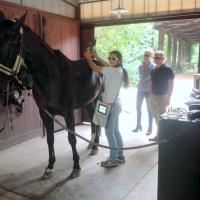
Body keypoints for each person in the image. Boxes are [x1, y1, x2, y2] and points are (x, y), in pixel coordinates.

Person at [84, 48, 129, 168]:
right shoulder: (118, 70)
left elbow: (95, 67)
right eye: (110, 58)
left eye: (113, 58)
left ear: (119, 60)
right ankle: (120, 155)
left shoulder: (111, 71)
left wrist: (89, 58)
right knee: (115, 131)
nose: (110, 60)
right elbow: (108, 66)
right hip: (116, 105)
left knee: (109, 132)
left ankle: (113, 158)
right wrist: (97, 57)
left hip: (109, 106)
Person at [149, 50, 174, 141]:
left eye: (158, 57)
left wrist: (168, 98)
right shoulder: (153, 70)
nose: (156, 59)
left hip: (162, 96)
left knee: (162, 119)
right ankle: (159, 135)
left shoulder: (168, 70)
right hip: (153, 97)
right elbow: (151, 83)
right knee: (156, 118)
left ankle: (163, 136)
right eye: (155, 57)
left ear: (163, 58)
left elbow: (171, 85)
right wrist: (150, 95)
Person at [132, 50, 155, 135]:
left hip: (149, 91)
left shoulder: (153, 67)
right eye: (145, 55)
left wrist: (147, 65)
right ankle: (138, 126)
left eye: (148, 55)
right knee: (138, 108)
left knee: (149, 109)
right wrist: (145, 65)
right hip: (141, 89)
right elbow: (142, 76)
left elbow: (151, 78)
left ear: (151, 56)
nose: (146, 56)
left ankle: (150, 128)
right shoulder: (140, 66)